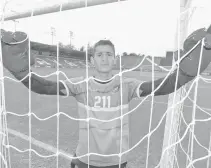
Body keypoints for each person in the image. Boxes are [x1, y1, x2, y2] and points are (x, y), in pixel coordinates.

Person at [1, 26, 211, 168]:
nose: (104, 58)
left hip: (117, 162)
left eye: (109, 54)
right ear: (92, 60)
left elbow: (162, 87)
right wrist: (22, 74)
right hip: (85, 160)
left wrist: (185, 75)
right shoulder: (81, 87)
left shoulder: (127, 86)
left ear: (114, 60)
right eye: (99, 54)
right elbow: (43, 87)